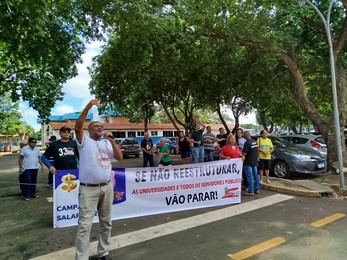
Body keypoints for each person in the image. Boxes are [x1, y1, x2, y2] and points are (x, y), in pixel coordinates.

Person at [74, 99, 123, 260]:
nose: (100, 128)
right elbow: (77, 126)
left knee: (106, 222)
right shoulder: (84, 141)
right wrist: (88, 107)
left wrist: (112, 140)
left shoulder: (107, 143)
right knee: (84, 225)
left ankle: (103, 253)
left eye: (101, 126)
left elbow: (119, 157)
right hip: (89, 189)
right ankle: (81, 257)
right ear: (89, 129)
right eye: (96, 126)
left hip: (107, 187)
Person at [242, 131, 260, 196]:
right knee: (255, 175)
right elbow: (257, 150)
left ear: (246, 135)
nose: (243, 136)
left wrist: (241, 153)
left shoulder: (247, 143)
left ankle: (251, 191)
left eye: (243, 135)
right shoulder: (254, 141)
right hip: (254, 161)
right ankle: (256, 189)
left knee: (249, 176)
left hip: (248, 162)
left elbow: (244, 154)